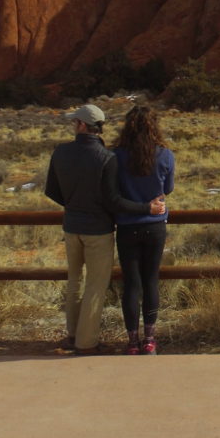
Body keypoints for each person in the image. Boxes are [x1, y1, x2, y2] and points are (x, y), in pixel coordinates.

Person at [45, 104, 162, 355]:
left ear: (82, 125)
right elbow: (113, 201)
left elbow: (52, 191)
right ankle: (86, 343)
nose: (72, 125)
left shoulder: (61, 152)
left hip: (71, 227)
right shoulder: (106, 157)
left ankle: (73, 335)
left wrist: (74, 204)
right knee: (96, 286)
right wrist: (145, 208)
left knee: (74, 281)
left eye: (74, 121)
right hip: (98, 229)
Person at [112, 105, 175, 355]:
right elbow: (168, 188)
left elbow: (113, 190)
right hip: (155, 226)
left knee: (131, 284)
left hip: (126, 226)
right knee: (150, 281)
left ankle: (131, 342)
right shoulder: (165, 155)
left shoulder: (116, 155)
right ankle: (149, 340)